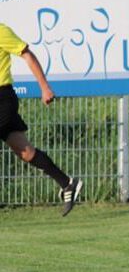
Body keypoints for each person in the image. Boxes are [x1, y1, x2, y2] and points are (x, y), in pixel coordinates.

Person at [0, 22, 82, 216]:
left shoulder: (1, 31)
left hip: (2, 98)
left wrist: (44, 87)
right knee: (25, 152)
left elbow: (27, 54)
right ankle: (67, 183)